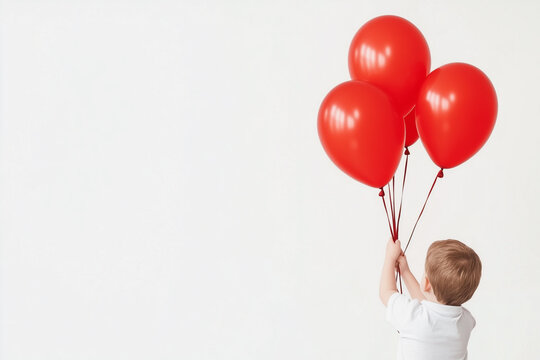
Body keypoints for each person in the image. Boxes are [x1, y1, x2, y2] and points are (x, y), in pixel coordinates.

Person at [380, 238, 482, 360]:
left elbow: (386, 292)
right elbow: (429, 306)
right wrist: (405, 272)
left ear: (427, 283)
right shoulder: (466, 322)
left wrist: (389, 258)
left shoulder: (413, 317)